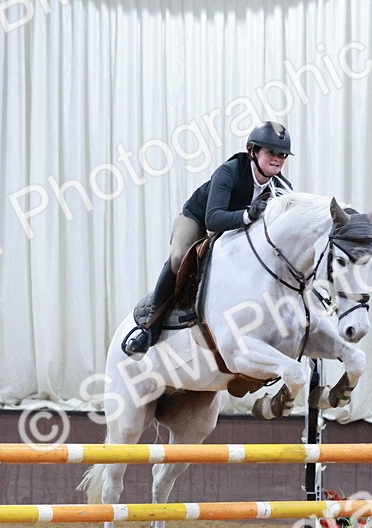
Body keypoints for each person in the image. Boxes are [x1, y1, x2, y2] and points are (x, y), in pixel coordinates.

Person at [121, 121, 295, 358]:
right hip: (199, 219)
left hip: (234, 230)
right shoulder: (229, 172)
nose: (277, 159)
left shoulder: (282, 187)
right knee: (179, 256)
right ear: (252, 151)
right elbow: (213, 219)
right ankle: (149, 326)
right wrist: (247, 214)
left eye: (282, 155)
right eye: (270, 152)